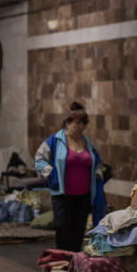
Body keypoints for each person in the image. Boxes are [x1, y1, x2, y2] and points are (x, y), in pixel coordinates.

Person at [34, 102, 106, 252]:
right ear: (67, 123)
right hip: (62, 194)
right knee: (62, 228)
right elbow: (39, 158)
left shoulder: (86, 142)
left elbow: (96, 162)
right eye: (77, 123)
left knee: (78, 229)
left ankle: (75, 260)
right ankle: (62, 261)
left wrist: (98, 177)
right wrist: (51, 174)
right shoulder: (55, 140)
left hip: (84, 195)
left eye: (83, 123)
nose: (80, 127)